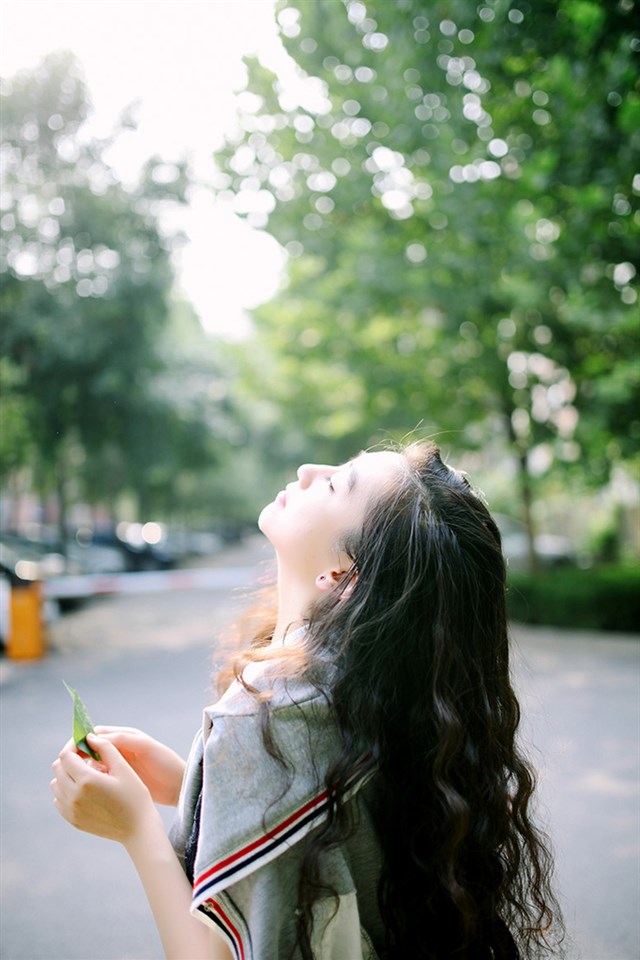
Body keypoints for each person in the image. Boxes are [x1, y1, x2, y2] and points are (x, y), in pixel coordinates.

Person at [51, 441, 564, 960]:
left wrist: (136, 827)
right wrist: (197, 785)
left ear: (343, 573)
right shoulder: (371, 695)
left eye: (336, 484)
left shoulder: (269, 716)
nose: (306, 471)